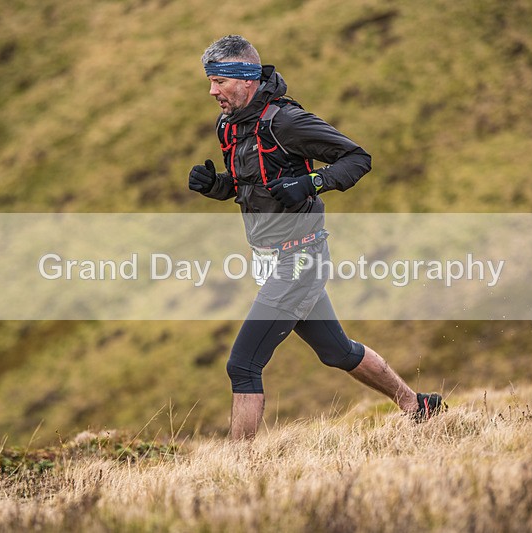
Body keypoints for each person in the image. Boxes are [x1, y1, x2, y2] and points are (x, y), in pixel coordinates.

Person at [189, 35, 443, 440]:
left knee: (242, 366)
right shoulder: (230, 126)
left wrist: (312, 183)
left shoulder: (285, 121)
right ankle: (419, 406)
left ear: (246, 79)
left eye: (219, 81)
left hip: (301, 259)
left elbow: (358, 158)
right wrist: (215, 186)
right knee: (337, 352)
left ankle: (237, 468)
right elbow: (249, 186)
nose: (212, 90)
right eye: (210, 81)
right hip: (271, 259)